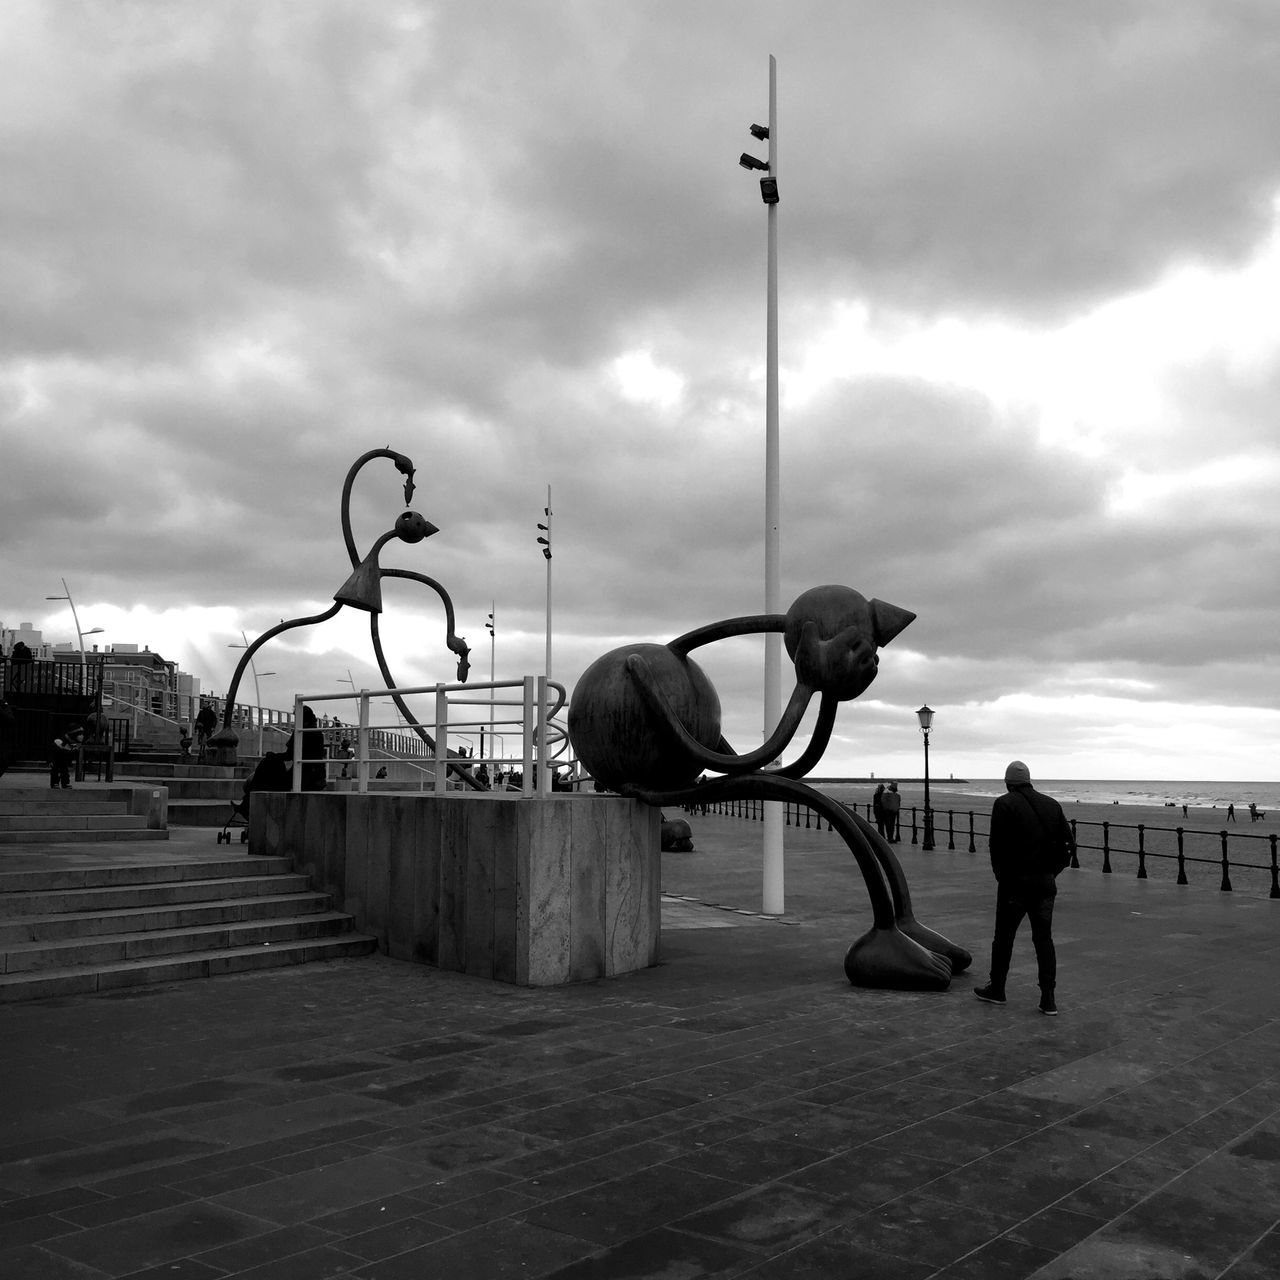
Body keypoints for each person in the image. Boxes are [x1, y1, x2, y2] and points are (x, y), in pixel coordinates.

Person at [975, 760, 1075, 1016]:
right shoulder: (1052, 805)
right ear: (1029, 780)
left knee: (1004, 938)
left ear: (1008, 783)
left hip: (1014, 884)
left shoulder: (1004, 804)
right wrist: (1052, 872)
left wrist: (1001, 876)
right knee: (1044, 939)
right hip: (1044, 884)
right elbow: (1068, 845)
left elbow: (996, 846)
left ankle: (997, 989)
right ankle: (1048, 998)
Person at [49, 721, 84, 789]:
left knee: (65, 770)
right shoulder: (60, 741)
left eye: (82, 734)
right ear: (74, 734)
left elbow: (71, 751)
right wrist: (51, 760)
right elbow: (53, 750)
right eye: (79, 734)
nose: (82, 736)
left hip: (64, 757)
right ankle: (54, 783)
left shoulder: (75, 742)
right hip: (56, 757)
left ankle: (65, 783)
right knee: (55, 770)